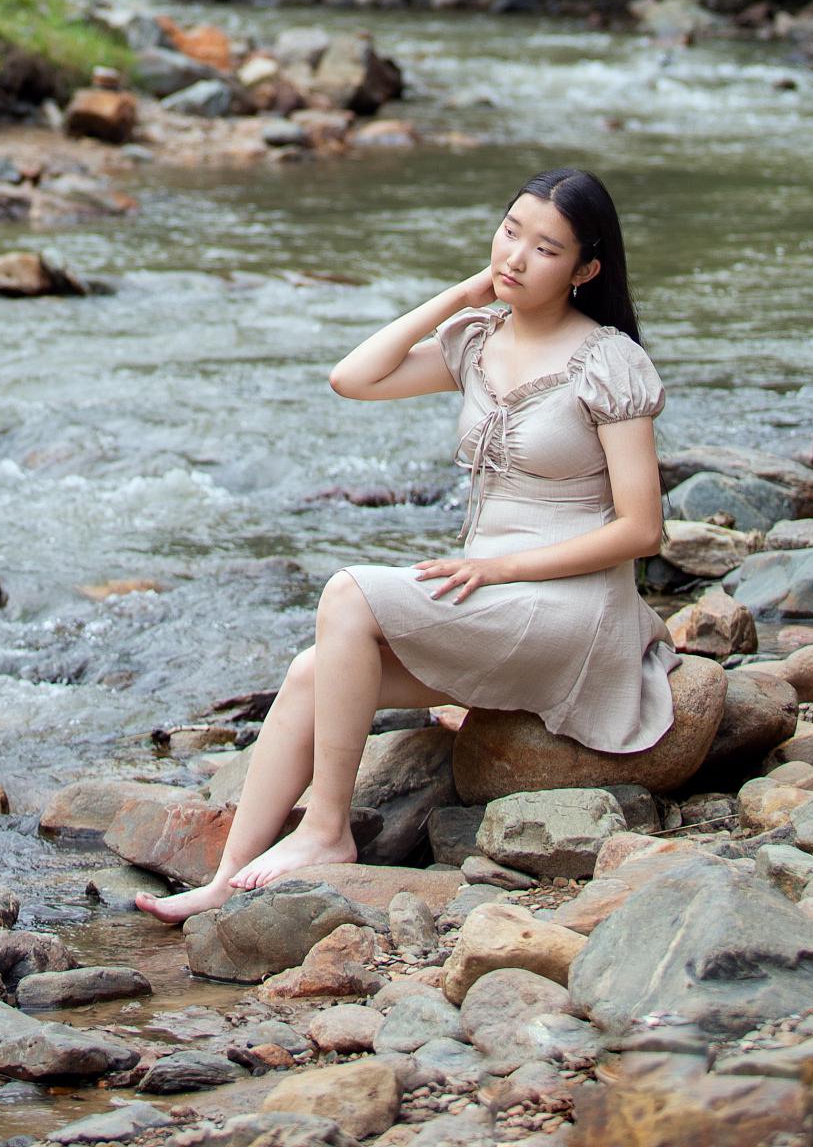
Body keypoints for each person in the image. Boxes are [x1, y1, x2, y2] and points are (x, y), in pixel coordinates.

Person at [137, 166, 671, 923]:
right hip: (491, 596)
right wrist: (457, 296)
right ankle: (224, 882)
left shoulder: (609, 362)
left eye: (545, 249)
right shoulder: (478, 341)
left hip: (571, 608)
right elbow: (351, 378)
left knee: (349, 593)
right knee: (310, 672)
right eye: (510, 231)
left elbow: (640, 529)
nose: (515, 257)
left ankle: (326, 832)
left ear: (586, 269)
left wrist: (500, 564)